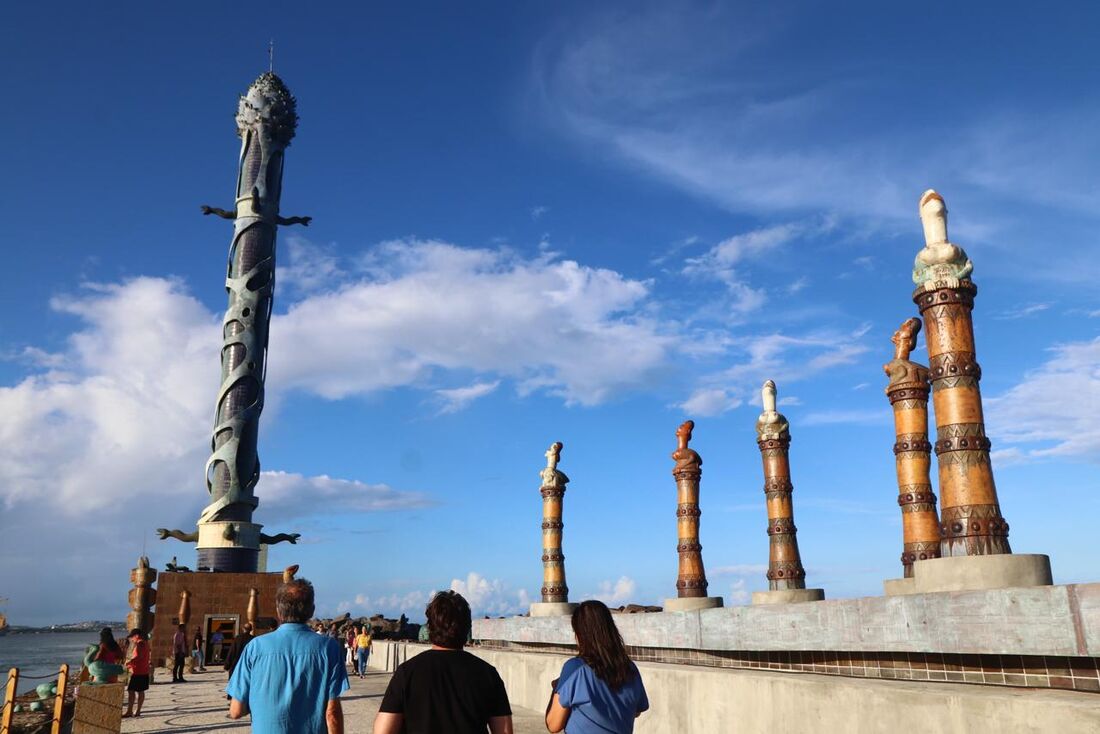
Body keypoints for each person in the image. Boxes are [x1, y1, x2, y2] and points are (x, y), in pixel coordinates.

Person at [373, 591, 513, 734]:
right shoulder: (488, 674)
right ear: (466, 627)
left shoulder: (407, 673)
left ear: (429, 627)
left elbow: (383, 730)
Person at [227, 578, 348, 733]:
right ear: (312, 610)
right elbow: (332, 714)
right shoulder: (329, 648)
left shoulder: (255, 647)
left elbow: (236, 711)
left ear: (278, 611)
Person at [545, 601, 649, 734]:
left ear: (580, 634)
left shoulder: (575, 668)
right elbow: (637, 711)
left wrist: (557, 688)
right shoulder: (630, 668)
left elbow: (553, 725)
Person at [123, 629, 150, 718]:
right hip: (144, 670)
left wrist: (129, 662)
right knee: (140, 691)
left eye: (132, 637)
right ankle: (137, 711)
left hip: (137, 671)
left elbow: (139, 656)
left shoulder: (140, 643)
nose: (131, 639)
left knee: (131, 691)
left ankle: (130, 711)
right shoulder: (145, 643)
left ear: (136, 635)